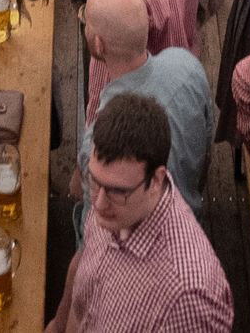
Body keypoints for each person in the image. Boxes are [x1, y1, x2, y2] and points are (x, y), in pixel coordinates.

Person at [63, 88, 230, 333]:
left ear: (156, 179)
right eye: (95, 180)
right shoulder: (112, 200)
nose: (98, 204)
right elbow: (83, 282)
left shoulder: (189, 297)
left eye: (117, 192)